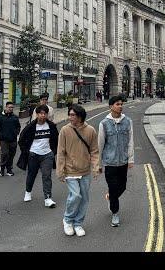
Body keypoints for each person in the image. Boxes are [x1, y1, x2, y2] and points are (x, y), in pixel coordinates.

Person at [56, 104, 100, 237]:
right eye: (69, 115)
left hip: (85, 170)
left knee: (84, 198)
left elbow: (94, 150)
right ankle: (68, 220)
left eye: (73, 115)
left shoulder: (90, 130)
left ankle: (78, 223)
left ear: (80, 116)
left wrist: (95, 167)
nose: (70, 117)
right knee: (75, 196)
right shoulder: (64, 130)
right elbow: (61, 152)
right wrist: (60, 170)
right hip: (70, 170)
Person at [98, 94, 135, 227]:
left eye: (121, 104)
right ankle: (115, 213)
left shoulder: (128, 121)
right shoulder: (104, 123)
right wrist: (99, 164)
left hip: (123, 162)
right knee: (113, 187)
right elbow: (100, 144)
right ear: (110, 107)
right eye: (117, 104)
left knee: (122, 186)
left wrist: (131, 159)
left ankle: (111, 197)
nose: (120, 106)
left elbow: (131, 141)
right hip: (110, 162)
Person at [18, 104, 59, 208]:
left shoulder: (51, 126)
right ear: (37, 114)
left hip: (47, 155)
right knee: (32, 174)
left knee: (47, 176)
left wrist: (52, 152)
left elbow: (56, 140)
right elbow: (21, 140)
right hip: (33, 154)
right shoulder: (31, 126)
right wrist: (28, 151)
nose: (43, 116)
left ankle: (48, 198)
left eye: (45, 114)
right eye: (41, 113)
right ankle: (28, 191)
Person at [0, 101, 21, 177]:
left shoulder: (15, 117)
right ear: (6, 107)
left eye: (12, 107)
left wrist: (16, 132)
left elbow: (18, 126)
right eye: (9, 107)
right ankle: (2, 168)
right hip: (3, 140)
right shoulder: (0, 117)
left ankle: (9, 169)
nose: (11, 109)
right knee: (5, 153)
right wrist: (1, 135)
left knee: (11, 155)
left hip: (13, 139)